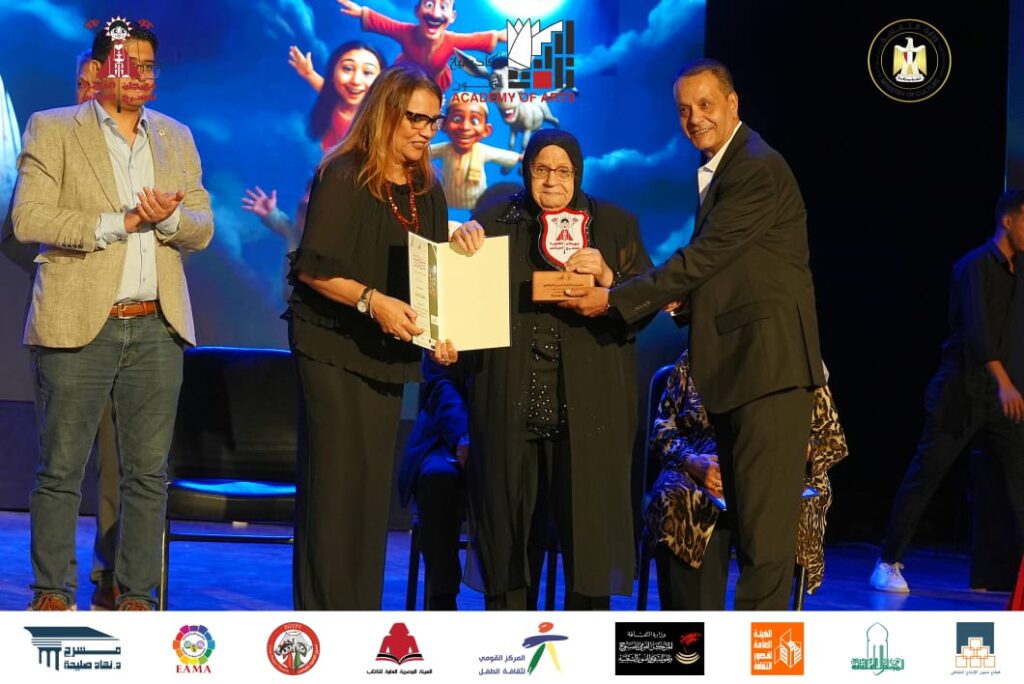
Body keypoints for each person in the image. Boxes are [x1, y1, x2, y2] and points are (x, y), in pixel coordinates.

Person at [562, 58, 824, 610]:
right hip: (740, 374)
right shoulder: (723, 169)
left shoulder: (755, 168)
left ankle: (758, 655)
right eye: (683, 109)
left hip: (768, 373)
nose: (694, 118)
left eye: (705, 104)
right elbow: (718, 279)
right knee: (752, 536)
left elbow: (702, 259)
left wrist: (614, 299)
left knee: (765, 547)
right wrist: (626, 285)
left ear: (733, 103)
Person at [12, 21, 214, 611]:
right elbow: (28, 218)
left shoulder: (175, 136)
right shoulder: (54, 127)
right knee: (61, 469)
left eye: (150, 66)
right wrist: (118, 223)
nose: (142, 76)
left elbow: (202, 225)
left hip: (156, 325)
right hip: (79, 321)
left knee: (147, 473)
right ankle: (53, 591)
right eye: (130, 65)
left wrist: (168, 219)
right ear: (100, 71)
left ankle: (137, 594)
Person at [287, 63, 464, 610]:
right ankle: (321, 620)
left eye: (433, 121)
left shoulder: (427, 190)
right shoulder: (342, 174)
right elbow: (312, 269)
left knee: (369, 492)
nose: (425, 131)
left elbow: (431, 279)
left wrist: (442, 333)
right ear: (386, 112)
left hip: (386, 353)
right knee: (335, 485)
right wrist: (372, 301)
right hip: (331, 345)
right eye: (415, 118)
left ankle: (359, 617)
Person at [453, 128, 653, 610]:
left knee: (587, 538)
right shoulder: (495, 220)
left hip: (589, 409)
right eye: (541, 169)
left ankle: (581, 647)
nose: (551, 181)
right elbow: (461, 306)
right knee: (510, 534)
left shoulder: (614, 224)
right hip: (510, 403)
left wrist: (607, 276)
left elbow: (647, 301)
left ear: (578, 173)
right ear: (526, 170)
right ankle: (509, 645)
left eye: (563, 171)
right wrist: (460, 249)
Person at [870, 189, 1024, 593]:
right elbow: (977, 332)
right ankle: (887, 562)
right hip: (960, 394)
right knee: (926, 475)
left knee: (1020, 480)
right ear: (1008, 220)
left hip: (1000, 398)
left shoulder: (1018, 271)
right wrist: (1005, 383)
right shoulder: (974, 267)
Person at [645, 349, 848, 609]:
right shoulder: (698, 355)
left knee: (786, 510)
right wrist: (692, 462)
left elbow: (832, 440)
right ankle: (692, 630)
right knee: (675, 498)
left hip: (777, 473)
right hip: (704, 468)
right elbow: (663, 428)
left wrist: (787, 453)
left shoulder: (798, 358)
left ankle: (763, 628)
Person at [397, 355, 469, 610]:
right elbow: (439, 381)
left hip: (509, 431)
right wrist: (462, 434)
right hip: (447, 431)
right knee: (438, 480)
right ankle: (442, 599)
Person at [337, 0, 504, 93]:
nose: (435, 13)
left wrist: (502, 35)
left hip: (434, 82)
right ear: (417, 11)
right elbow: (385, 24)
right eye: (429, 5)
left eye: (443, 7)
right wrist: (362, 12)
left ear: (452, 17)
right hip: (405, 76)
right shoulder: (406, 32)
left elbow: (478, 39)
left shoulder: (452, 40)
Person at [287, 41, 386, 152]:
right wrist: (309, 74)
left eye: (367, 72)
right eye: (348, 68)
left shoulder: (382, 117)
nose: (356, 81)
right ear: (333, 72)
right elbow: (324, 88)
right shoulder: (336, 100)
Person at [430, 98, 520, 211]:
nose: (465, 127)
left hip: (476, 200)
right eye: (457, 119)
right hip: (447, 198)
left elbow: (500, 155)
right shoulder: (445, 149)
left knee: (480, 214)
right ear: (443, 125)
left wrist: (519, 158)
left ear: (486, 130)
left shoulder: (482, 150)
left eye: (475, 121)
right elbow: (427, 152)